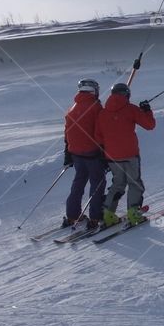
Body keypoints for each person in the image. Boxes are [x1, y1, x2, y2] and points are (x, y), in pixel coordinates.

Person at [95, 82, 156, 228]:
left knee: (118, 184)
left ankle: (107, 214)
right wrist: (147, 110)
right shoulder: (131, 109)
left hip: (112, 157)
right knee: (134, 183)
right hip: (130, 155)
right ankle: (134, 213)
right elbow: (150, 125)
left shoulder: (102, 113)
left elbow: (98, 137)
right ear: (127, 95)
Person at [62, 78, 106, 229]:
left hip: (75, 153)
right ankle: (95, 216)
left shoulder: (72, 108)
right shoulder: (96, 107)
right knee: (97, 182)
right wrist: (105, 153)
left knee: (79, 181)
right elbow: (101, 131)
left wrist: (67, 153)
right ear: (94, 91)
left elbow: (67, 132)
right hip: (92, 153)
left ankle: (72, 214)